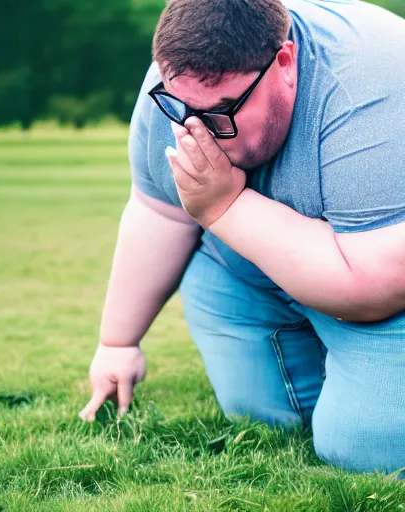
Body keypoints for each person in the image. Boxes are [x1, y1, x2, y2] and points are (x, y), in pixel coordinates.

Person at [79, 0, 405, 475]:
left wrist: (222, 206)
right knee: (265, 421)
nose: (195, 132)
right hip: (249, 273)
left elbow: (373, 286)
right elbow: (160, 209)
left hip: (378, 283)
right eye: (180, 108)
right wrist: (117, 342)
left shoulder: (368, 90)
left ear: (285, 64)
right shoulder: (175, 86)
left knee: (366, 451)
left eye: (221, 111)